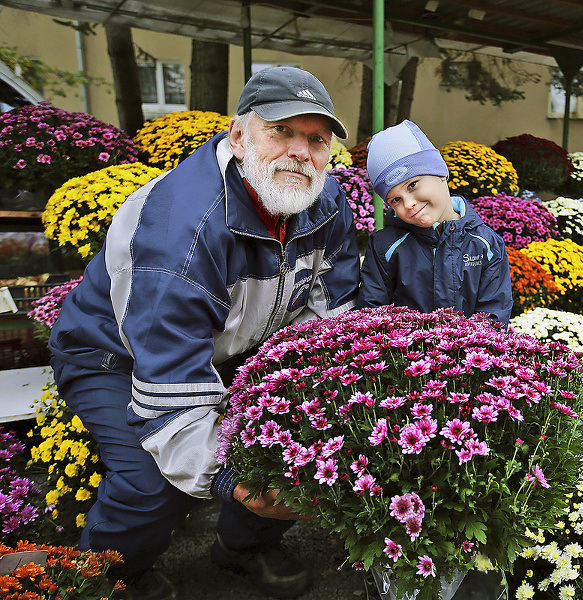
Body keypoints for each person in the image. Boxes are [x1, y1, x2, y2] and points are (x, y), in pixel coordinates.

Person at [48, 66, 360, 600]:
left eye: (316, 139)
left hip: (233, 347)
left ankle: (243, 550)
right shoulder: (181, 230)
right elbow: (168, 379)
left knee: (293, 438)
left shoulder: (323, 202)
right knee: (149, 485)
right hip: (113, 355)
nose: (300, 153)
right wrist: (231, 480)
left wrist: (304, 394)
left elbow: (332, 311)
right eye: (280, 131)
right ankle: (108, 580)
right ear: (238, 136)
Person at [359, 120, 512, 325]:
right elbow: (372, 317)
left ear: (441, 173)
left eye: (412, 185)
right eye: (396, 200)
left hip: (470, 355)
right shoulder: (384, 247)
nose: (409, 204)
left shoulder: (487, 244)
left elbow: (494, 317)